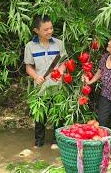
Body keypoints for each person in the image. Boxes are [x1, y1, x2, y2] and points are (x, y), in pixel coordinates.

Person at [24, 15, 67, 150]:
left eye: (51, 28)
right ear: (36, 30)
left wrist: (60, 72)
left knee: (58, 114)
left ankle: (56, 141)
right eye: (45, 29)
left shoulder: (59, 43)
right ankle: (38, 143)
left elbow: (64, 62)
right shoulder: (30, 46)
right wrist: (36, 76)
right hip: (40, 87)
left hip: (57, 87)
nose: (49, 31)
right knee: (39, 116)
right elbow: (28, 66)